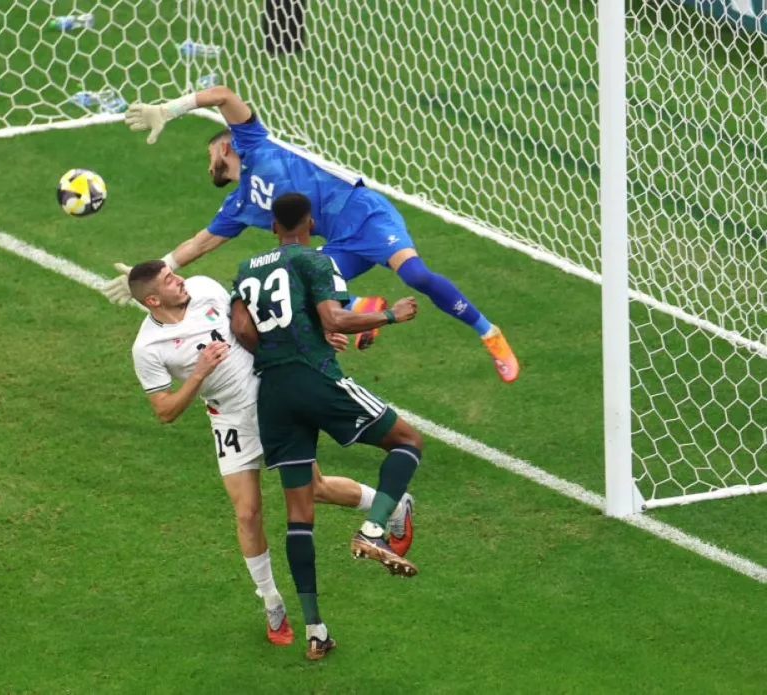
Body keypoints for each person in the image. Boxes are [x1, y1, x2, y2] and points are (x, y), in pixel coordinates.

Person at [102, 84, 519, 381]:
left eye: (209, 153)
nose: (207, 162)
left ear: (223, 147)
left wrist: (170, 110)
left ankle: (490, 333)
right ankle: (360, 310)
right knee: (290, 282)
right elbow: (201, 243)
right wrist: (151, 274)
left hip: (365, 215)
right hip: (338, 243)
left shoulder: (253, 143)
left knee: (415, 276)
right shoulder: (241, 205)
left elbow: (223, 95)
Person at [128, 260, 414, 648]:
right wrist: (198, 373)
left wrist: (314, 336)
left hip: (271, 399)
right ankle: (271, 602)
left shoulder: (205, 288)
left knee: (314, 489)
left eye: (173, 274)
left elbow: (257, 321)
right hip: (228, 418)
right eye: (168, 281)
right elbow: (164, 411)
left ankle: (395, 506)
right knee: (247, 513)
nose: (179, 279)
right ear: (152, 299)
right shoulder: (147, 347)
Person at [229, 192, 426, 661]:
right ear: (310, 223)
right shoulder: (314, 260)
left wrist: (279, 351)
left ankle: (316, 630)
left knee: (299, 514)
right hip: (315, 378)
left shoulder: (246, 268)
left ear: (272, 226)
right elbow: (335, 317)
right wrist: (389, 315)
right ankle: (374, 530)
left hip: (272, 395)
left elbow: (243, 329)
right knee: (408, 442)